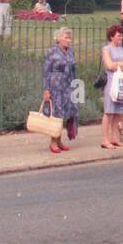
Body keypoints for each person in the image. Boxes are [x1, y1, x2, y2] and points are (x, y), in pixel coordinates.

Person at [41, 26, 78, 154]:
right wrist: (46, 89)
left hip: (68, 86)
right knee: (56, 115)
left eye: (70, 37)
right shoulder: (52, 51)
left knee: (64, 115)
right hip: (55, 86)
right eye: (66, 37)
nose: (69, 40)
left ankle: (60, 141)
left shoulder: (70, 51)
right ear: (59, 38)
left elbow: (73, 69)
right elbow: (46, 71)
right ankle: (53, 142)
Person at [100, 24, 123, 149]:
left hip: (121, 82)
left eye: (122, 35)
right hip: (111, 81)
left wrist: (118, 64)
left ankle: (115, 138)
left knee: (118, 112)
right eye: (119, 35)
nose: (121, 37)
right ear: (111, 36)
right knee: (109, 112)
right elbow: (109, 66)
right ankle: (105, 139)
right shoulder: (106, 49)